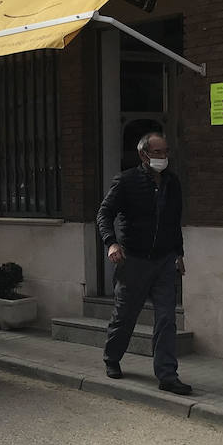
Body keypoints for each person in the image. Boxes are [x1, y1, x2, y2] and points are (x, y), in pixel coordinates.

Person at [95, 132, 191, 395]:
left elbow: (174, 221)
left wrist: (179, 253)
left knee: (166, 318)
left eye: (166, 152)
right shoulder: (126, 181)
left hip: (164, 260)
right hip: (134, 259)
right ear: (143, 154)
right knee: (125, 315)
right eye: (158, 152)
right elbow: (104, 213)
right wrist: (111, 243)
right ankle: (112, 357)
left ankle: (167, 375)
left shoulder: (172, 183)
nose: (163, 157)